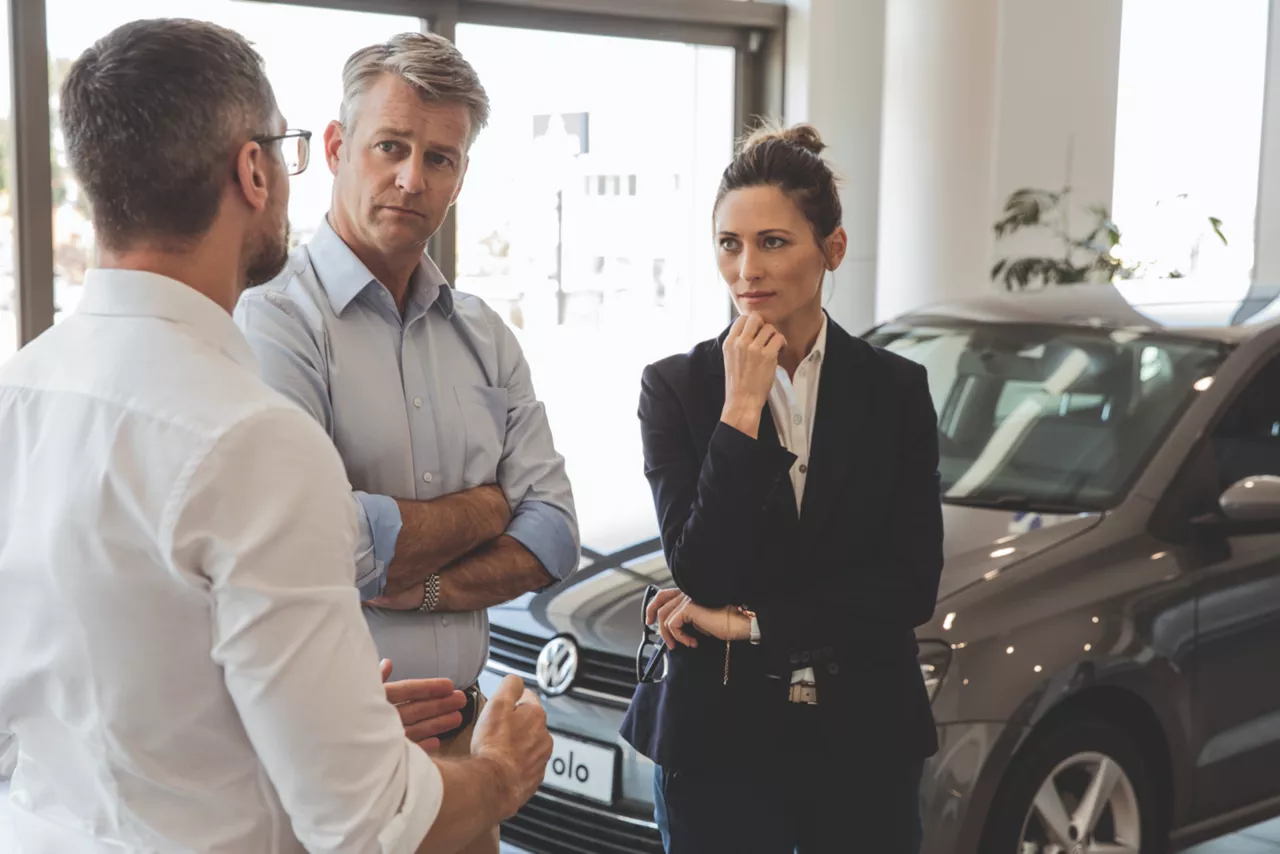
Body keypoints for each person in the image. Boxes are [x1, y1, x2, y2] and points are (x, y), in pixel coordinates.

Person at [0, 18, 551, 854]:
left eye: (441, 157)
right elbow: (367, 825)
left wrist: (335, 719)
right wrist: (504, 774)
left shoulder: (17, 393)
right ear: (254, 170)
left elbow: (120, 694)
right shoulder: (253, 438)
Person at [234, 32, 578, 853]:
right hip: (341, 746)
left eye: (442, 158)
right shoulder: (274, 320)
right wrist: (488, 506)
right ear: (337, 146)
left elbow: (555, 533)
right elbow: (327, 541)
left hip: (467, 741)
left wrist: (418, 585)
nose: (412, 179)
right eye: (392, 146)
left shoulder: (485, 336)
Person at [619, 123, 945, 853]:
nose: (746, 271)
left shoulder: (896, 390)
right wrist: (739, 411)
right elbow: (698, 568)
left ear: (832, 249)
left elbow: (909, 584)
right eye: (728, 244)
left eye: (772, 242)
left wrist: (752, 622)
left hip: (865, 739)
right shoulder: (675, 388)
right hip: (719, 745)